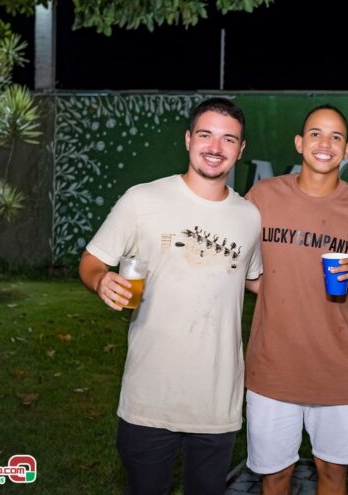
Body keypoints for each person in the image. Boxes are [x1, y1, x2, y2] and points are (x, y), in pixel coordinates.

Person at [78, 97, 262, 495]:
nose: (215, 147)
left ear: (241, 149)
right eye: (206, 135)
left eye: (228, 139)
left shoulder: (249, 216)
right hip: (149, 398)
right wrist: (100, 281)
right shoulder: (143, 200)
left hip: (217, 403)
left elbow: (255, 280)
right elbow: (91, 261)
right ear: (188, 139)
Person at [243, 105, 348, 495]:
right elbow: (238, 263)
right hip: (272, 369)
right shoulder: (262, 196)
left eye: (336, 137)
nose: (326, 144)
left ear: (347, 149)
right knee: (274, 476)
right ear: (299, 143)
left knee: (332, 474)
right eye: (316, 134)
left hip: (338, 371)